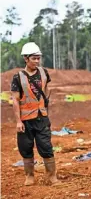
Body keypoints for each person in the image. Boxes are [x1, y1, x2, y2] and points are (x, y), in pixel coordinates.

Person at [11, 42, 60, 186]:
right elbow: (15, 100)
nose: (37, 61)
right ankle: (29, 176)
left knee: (46, 146)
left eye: (38, 58)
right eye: (34, 58)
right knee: (25, 148)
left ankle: (52, 176)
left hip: (41, 118)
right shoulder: (17, 77)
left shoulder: (44, 72)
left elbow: (45, 92)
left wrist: (45, 110)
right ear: (26, 59)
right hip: (25, 120)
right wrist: (18, 121)